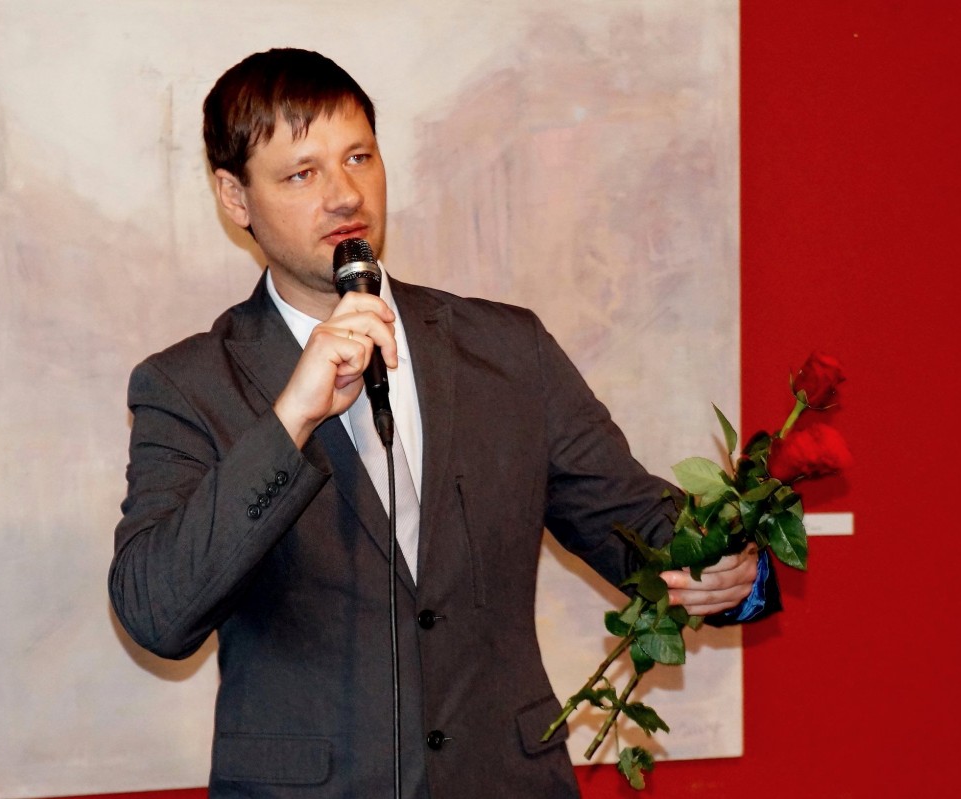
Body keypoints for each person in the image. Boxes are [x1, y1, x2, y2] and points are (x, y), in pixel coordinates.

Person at [110, 48, 778, 799]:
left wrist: (733, 569)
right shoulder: (190, 385)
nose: (344, 194)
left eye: (359, 157)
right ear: (235, 197)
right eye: (302, 174)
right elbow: (156, 613)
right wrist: (290, 418)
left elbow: (641, 530)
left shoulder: (508, 351)